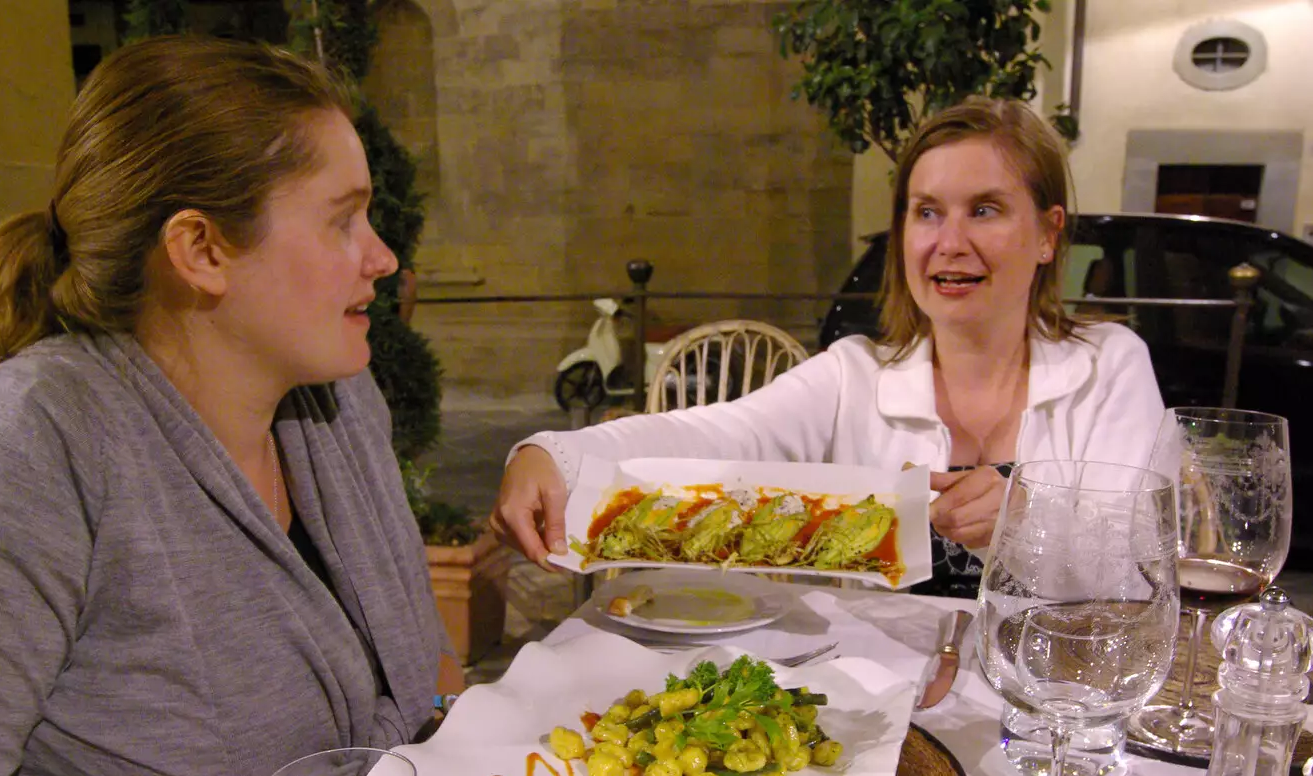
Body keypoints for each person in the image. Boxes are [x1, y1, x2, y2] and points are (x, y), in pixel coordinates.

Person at [0, 35, 461, 776]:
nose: (382, 257)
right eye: (342, 222)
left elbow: (415, 686)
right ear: (201, 251)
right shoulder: (17, 458)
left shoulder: (331, 401)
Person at [489, 98, 1165, 596]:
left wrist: (1028, 520)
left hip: (1053, 723)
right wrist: (555, 455)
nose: (949, 241)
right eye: (927, 211)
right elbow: (719, 436)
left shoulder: (1109, 365)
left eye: (984, 209)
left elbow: (1141, 564)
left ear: (1048, 234)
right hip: (891, 728)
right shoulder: (853, 376)